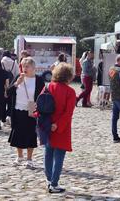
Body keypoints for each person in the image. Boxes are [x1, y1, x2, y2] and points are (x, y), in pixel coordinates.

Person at [43, 63, 76, 193]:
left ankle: (49, 179)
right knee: (59, 156)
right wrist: (57, 125)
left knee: (48, 153)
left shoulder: (48, 87)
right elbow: (68, 113)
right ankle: (54, 183)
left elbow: (40, 105)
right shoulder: (70, 91)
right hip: (61, 128)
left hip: (47, 124)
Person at [8, 57, 45, 168]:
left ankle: (29, 159)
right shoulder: (18, 77)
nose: (24, 68)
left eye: (27, 66)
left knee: (30, 134)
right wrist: (16, 84)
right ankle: (19, 156)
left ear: (33, 68)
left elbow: (43, 95)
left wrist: (40, 107)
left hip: (31, 110)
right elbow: (8, 93)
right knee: (17, 133)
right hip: (17, 109)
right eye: (23, 66)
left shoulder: (38, 80)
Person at [2, 50, 20, 123]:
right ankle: (8, 115)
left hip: (3, 84)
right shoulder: (14, 63)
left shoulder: (1, 62)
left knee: (3, 102)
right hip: (12, 84)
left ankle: (2, 117)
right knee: (10, 101)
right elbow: (17, 74)